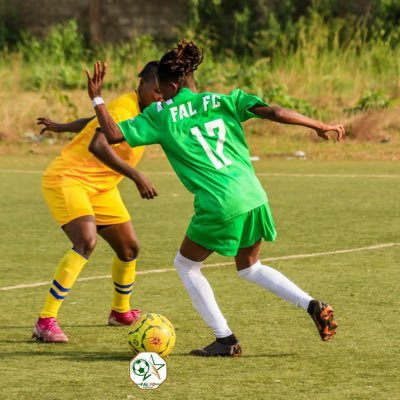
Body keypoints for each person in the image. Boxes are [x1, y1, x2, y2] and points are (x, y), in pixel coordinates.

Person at [86, 41, 344, 356]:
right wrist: (318, 125)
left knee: (185, 265)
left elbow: (111, 134)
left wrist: (97, 97)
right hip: (253, 195)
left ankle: (225, 340)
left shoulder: (161, 115)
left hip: (220, 203)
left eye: (162, 89)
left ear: (173, 85)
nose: (160, 95)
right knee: (249, 266)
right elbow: (274, 111)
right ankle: (312, 305)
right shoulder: (223, 99)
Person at [32, 61, 161, 343]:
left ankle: (120, 312)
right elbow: (98, 143)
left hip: (101, 186)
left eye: (164, 94)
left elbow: (95, 123)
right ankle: (45, 321)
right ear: (142, 85)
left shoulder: (148, 109)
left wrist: (61, 126)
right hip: (69, 178)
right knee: (85, 241)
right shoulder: (124, 107)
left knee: (129, 249)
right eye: (156, 91)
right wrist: (137, 176)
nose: (160, 98)